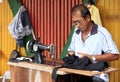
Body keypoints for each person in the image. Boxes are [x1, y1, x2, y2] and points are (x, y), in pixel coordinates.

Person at [67, 4, 119, 82]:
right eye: (74, 22)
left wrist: (92, 57)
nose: (77, 25)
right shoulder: (76, 33)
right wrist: (71, 55)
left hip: (97, 76)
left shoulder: (101, 33)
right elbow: (71, 51)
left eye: (78, 21)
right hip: (79, 73)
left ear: (87, 18)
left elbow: (115, 55)